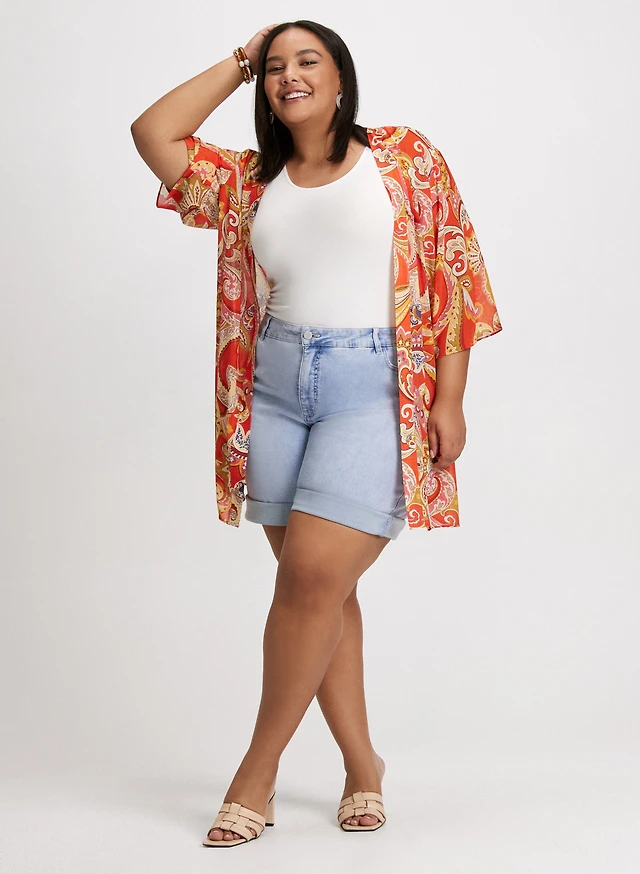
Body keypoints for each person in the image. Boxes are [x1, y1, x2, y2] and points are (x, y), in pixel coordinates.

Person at [131, 19, 502, 848]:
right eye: (275, 67)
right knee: (324, 593)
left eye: (308, 61)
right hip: (272, 390)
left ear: (341, 79)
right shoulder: (245, 181)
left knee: (308, 583)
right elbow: (153, 133)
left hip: (375, 388)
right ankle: (364, 766)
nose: (289, 76)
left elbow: (456, 271)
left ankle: (254, 775)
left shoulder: (405, 157)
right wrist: (239, 58)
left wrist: (450, 398)